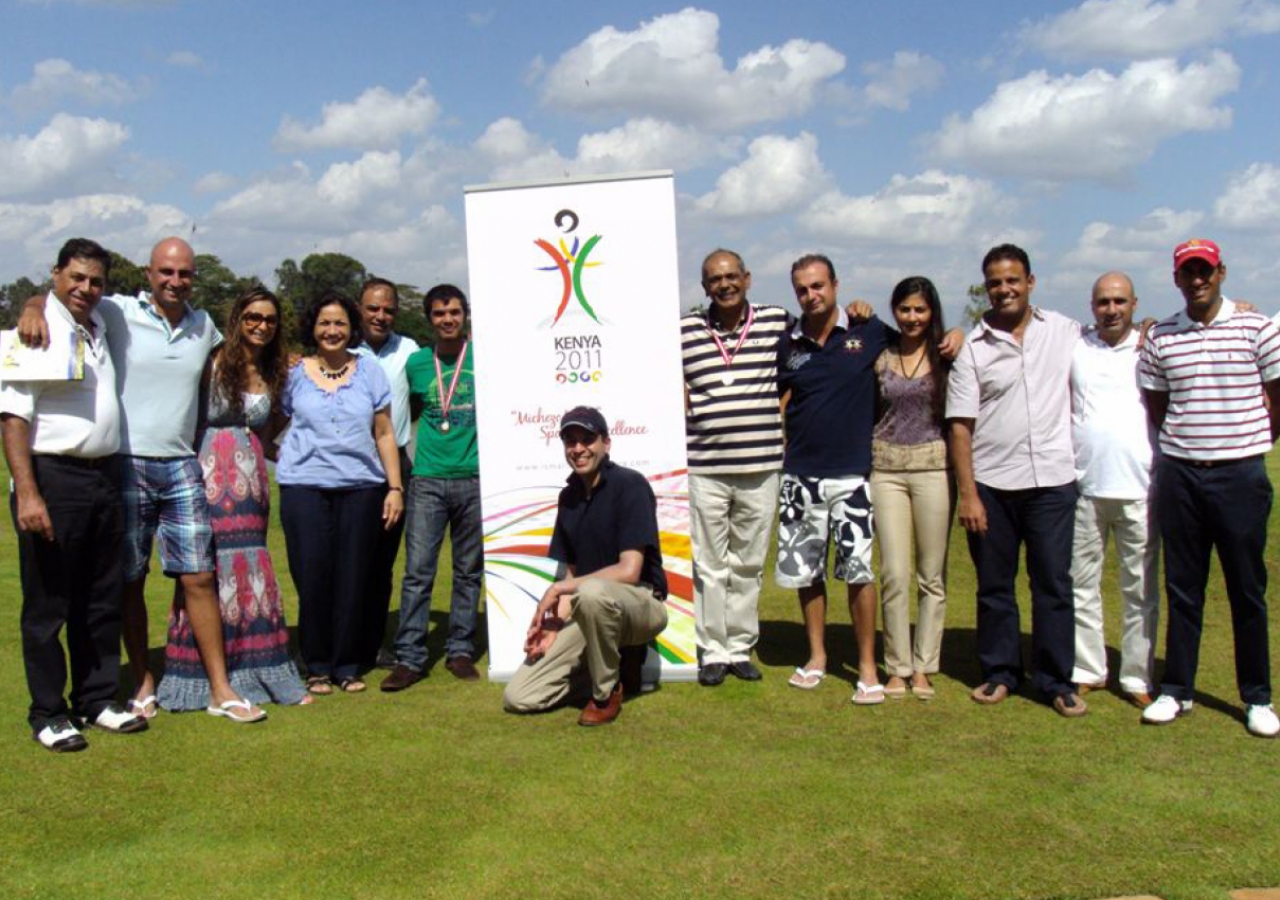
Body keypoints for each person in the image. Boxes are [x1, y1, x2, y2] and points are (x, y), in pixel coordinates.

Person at [18, 237, 263, 723]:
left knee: (199, 575)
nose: (176, 282)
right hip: (125, 464)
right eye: (166, 272)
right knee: (128, 579)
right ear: (148, 274)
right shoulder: (116, 310)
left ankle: (220, 688)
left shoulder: (204, 324)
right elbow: (62, 297)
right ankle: (142, 682)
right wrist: (30, 306)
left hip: (180, 465)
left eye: (185, 274)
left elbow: (239, 361)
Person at [2, 238, 148, 750]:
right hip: (54, 475)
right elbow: (14, 417)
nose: (86, 288)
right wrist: (27, 493)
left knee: (101, 595)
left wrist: (39, 300)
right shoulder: (35, 330)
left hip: (106, 475)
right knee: (49, 602)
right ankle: (48, 711)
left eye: (95, 281)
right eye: (76, 278)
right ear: (56, 275)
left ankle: (97, 698)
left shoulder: (102, 321)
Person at [1138, 239, 1280, 738]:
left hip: (1239, 474)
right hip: (1180, 474)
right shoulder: (1162, 337)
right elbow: (1156, 404)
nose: (1196, 279)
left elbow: (1277, 396)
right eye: (1187, 272)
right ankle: (1176, 689)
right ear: (1176, 278)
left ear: (1221, 272)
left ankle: (1257, 697)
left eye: (1204, 270)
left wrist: (1250, 443)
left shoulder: (1257, 327)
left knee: (1246, 588)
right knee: (1183, 587)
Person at [948, 243, 1086, 717]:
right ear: (986, 288)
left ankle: (1055, 680)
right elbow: (960, 426)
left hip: (1052, 481)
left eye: (1012, 280)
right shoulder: (973, 347)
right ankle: (1000, 672)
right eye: (994, 282)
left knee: (1052, 584)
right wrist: (968, 494)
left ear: (1030, 282)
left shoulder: (1066, 332)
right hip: (992, 485)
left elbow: (1116, 337)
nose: (1004, 289)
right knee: (994, 586)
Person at [156, 287, 309, 711]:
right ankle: (202, 672)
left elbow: (273, 425)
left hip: (252, 481)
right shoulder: (212, 360)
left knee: (250, 564)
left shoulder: (275, 368)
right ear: (238, 319)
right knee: (208, 568)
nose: (261, 325)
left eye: (269, 320)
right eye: (253, 317)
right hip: (207, 474)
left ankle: (255, 666)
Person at [503, 407, 668, 726]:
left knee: (591, 594)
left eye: (587, 439)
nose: (578, 448)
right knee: (519, 696)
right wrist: (552, 627)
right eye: (570, 441)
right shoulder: (569, 498)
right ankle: (616, 668)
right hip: (590, 609)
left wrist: (561, 588)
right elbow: (573, 575)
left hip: (641, 606)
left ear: (606, 442)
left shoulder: (630, 484)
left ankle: (605, 694)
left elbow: (629, 571)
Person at [277, 291, 404, 696]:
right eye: (324, 324)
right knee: (312, 577)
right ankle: (316, 665)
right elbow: (270, 424)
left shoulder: (369, 372)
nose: (332, 331)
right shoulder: (294, 372)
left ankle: (348, 665)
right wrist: (283, 457)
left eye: (340, 324)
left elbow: (383, 433)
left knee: (354, 579)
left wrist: (395, 487)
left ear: (352, 330)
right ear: (313, 328)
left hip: (361, 489)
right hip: (303, 489)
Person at [775, 254, 886, 704]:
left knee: (858, 573)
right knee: (808, 574)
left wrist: (953, 335)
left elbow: (920, 345)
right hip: (801, 475)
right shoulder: (789, 343)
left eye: (818, 286)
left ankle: (866, 665)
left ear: (836, 285)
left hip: (853, 474)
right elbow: (780, 397)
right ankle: (817, 656)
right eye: (802, 289)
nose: (811, 295)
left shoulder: (868, 332)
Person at [680, 249, 790, 686]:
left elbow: (814, 353)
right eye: (713, 280)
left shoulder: (777, 320)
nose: (723, 285)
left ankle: (740, 647)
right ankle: (712, 650)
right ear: (704, 287)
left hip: (762, 466)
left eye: (730, 277)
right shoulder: (685, 330)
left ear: (747, 278)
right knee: (708, 564)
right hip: (704, 467)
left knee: (747, 563)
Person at [382, 284, 484, 691]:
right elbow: (402, 418)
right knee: (417, 573)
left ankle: (459, 650)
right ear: (429, 319)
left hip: (474, 478)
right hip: (426, 479)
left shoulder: (484, 358)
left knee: (468, 571)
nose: (448, 319)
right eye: (440, 313)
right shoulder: (418, 363)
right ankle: (410, 657)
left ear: (465, 316)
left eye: (455, 312)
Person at [1069, 272, 1159, 709]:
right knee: (1082, 583)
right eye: (1103, 302)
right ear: (1092, 306)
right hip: (1085, 485)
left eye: (1119, 301)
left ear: (1135, 304)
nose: (1111, 309)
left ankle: (1136, 676)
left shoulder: (1151, 345)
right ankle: (1089, 669)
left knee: (1138, 590)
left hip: (1139, 485)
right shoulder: (1077, 347)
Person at [870, 276, 952, 701]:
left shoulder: (946, 355)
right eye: (905, 309)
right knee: (894, 573)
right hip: (885, 469)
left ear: (931, 312)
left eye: (920, 310)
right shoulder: (881, 357)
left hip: (933, 468)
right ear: (895, 311)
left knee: (930, 575)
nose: (912, 317)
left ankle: (925, 666)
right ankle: (898, 668)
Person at [352, 277, 419, 672]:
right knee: (347, 560)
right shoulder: (339, 345)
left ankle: (375, 643)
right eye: (373, 308)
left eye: (388, 309)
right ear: (360, 309)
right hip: (350, 468)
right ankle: (338, 641)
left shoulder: (409, 350)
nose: (381, 315)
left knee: (381, 563)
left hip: (396, 470)